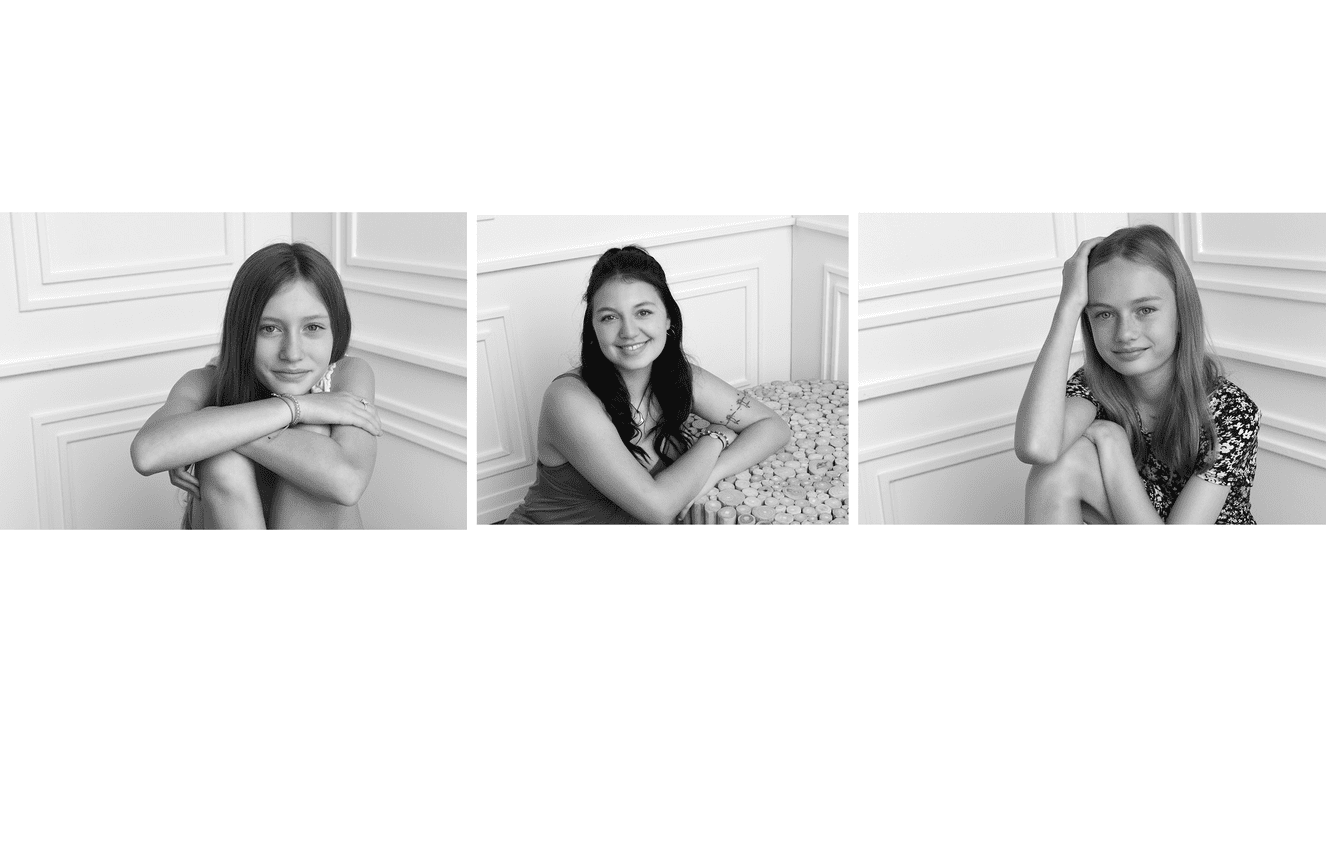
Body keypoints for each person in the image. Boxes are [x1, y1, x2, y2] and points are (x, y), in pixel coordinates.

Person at [506, 245, 792, 524]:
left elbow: (773, 426)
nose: (629, 332)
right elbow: (659, 509)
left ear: (668, 318)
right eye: (609, 317)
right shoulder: (568, 400)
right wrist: (714, 437)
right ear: (593, 328)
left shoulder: (679, 377)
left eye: (643, 312)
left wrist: (714, 472)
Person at [1015, 224, 1259, 524]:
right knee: (1059, 465)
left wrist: (1111, 440)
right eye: (1103, 314)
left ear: (1182, 313)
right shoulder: (1092, 386)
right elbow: (1037, 447)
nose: (1125, 334)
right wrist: (1068, 307)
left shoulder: (1231, 411)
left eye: (1144, 310)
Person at [130, 242, 382, 529]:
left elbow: (346, 482)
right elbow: (148, 453)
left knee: (312, 435)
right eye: (270, 329)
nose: (292, 353)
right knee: (222, 463)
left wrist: (207, 436)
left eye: (312, 328)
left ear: (335, 329)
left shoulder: (346, 375)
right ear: (244, 330)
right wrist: (297, 408)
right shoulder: (206, 381)